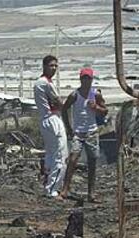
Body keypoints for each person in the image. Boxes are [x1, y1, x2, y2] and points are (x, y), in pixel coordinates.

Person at [60, 67, 108, 202]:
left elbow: (105, 111)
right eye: (84, 78)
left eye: (89, 78)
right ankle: (65, 190)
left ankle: (91, 193)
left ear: (92, 80)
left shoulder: (96, 94)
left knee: (92, 161)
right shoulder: (75, 95)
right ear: (80, 79)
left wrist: (96, 108)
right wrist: (69, 128)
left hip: (91, 132)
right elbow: (64, 110)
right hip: (78, 133)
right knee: (73, 159)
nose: (86, 81)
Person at [34, 55, 68, 198]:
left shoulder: (40, 82)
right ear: (44, 66)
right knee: (61, 155)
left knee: (51, 153)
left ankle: (48, 183)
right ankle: (52, 189)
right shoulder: (45, 83)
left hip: (46, 120)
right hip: (52, 119)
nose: (54, 69)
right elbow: (59, 103)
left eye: (55, 66)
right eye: (51, 66)